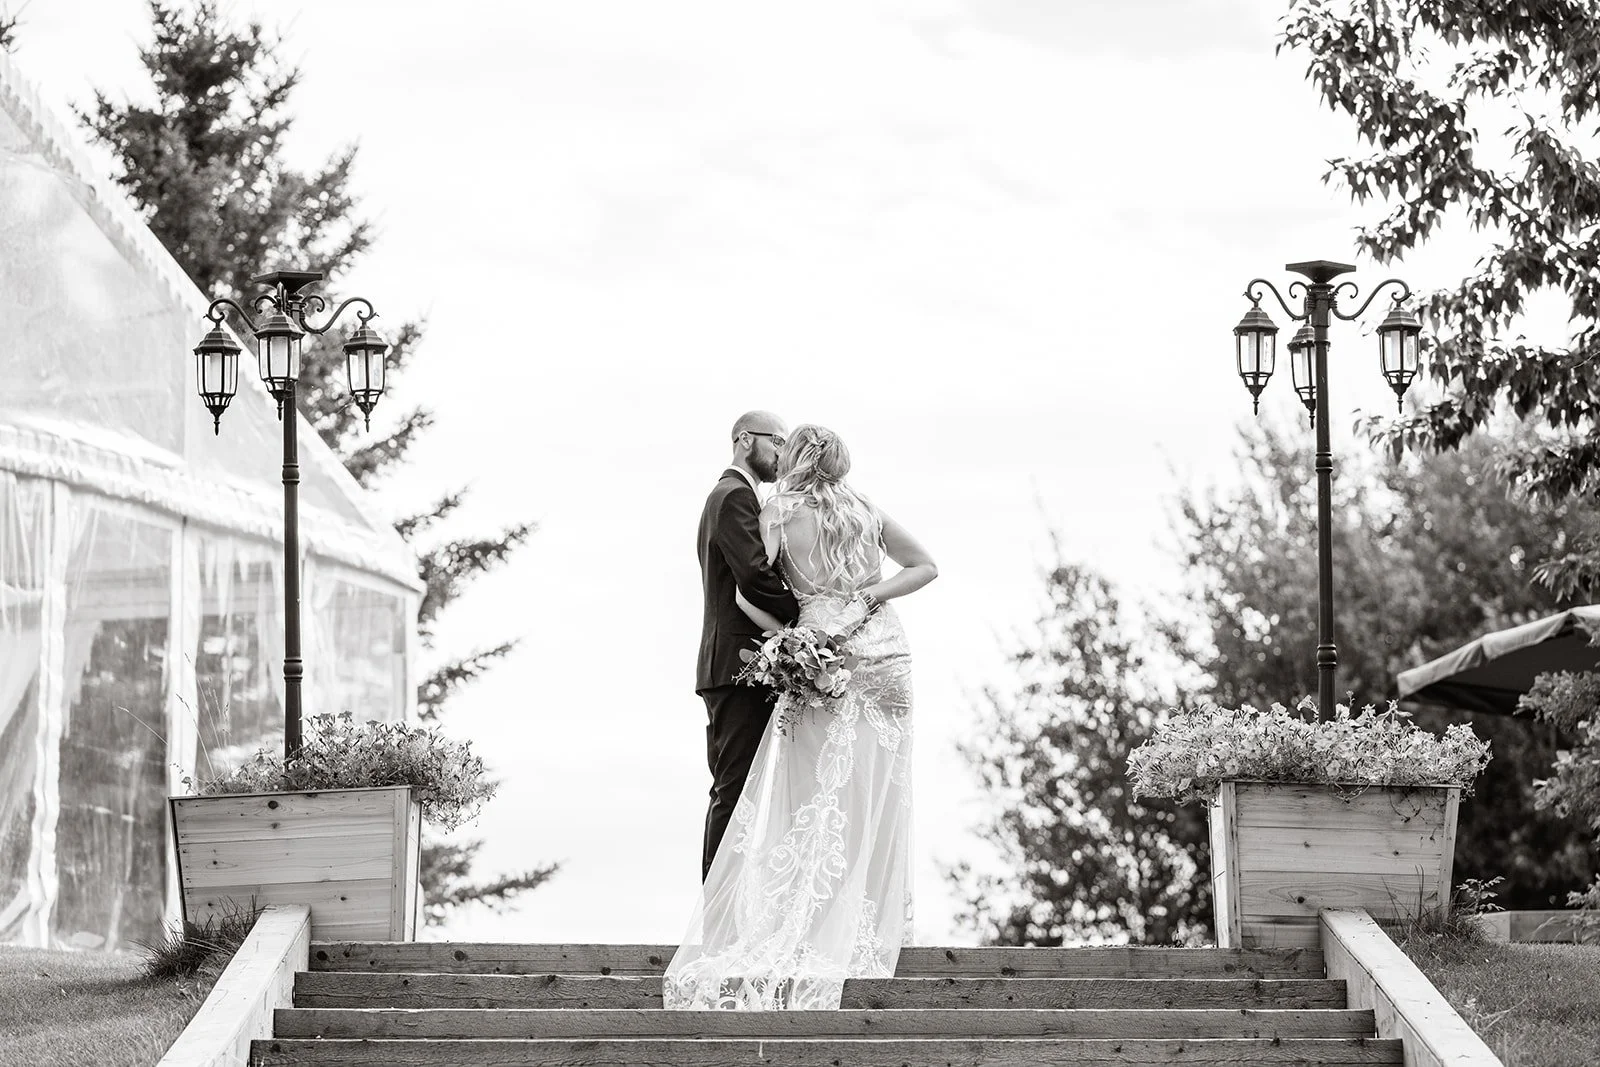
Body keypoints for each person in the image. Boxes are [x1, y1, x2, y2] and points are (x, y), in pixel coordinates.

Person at [667, 423, 938, 1011]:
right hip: (887, 655)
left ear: (796, 458)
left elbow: (748, 594)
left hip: (820, 655)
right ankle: (868, 928)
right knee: (875, 792)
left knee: (811, 795)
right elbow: (925, 566)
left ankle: (810, 927)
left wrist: (790, 640)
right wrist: (869, 598)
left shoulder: (778, 510)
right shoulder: (867, 508)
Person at [694, 411, 801, 882]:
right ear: (744, 441)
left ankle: (724, 913)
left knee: (736, 791)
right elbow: (755, 576)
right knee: (735, 792)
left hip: (734, 666)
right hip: (738, 667)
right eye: (776, 442)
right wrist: (806, 617)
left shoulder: (731, 496)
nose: (782, 453)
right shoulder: (734, 495)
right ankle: (718, 919)